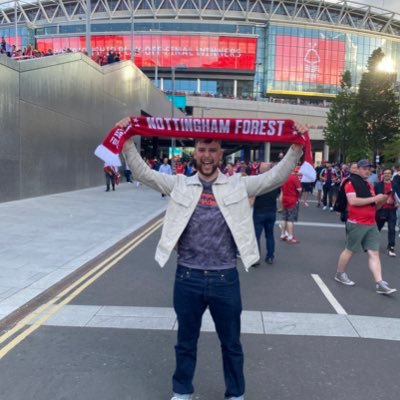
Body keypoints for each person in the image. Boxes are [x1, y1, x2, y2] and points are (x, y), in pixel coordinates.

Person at [118, 116, 304, 400]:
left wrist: (296, 147)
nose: (207, 156)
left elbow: (274, 177)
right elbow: (144, 174)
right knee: (185, 342)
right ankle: (182, 391)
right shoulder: (179, 183)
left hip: (224, 278)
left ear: (220, 154)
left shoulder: (237, 185)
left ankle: (235, 393)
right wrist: (127, 141)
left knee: (231, 343)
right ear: (195, 152)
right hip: (187, 277)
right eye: (202, 150)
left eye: (213, 150)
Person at [334, 159, 396, 295]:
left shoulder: (368, 185)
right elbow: (353, 201)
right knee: (350, 250)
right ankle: (340, 273)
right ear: (358, 169)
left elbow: (374, 206)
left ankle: (379, 282)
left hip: (371, 222)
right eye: (365, 168)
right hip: (357, 222)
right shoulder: (350, 183)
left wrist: (383, 200)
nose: (368, 170)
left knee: (374, 253)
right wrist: (375, 199)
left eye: (369, 168)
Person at [252, 162, 280, 264]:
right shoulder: (275, 181)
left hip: (259, 210)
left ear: (259, 169)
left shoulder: (257, 180)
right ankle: (270, 256)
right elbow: (278, 194)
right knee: (270, 235)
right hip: (271, 210)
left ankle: (256, 258)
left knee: (256, 236)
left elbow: (252, 195)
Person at [375, 168, 397, 257]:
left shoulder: (395, 185)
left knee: (392, 229)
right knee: (377, 229)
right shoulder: (378, 185)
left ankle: (391, 247)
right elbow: (374, 197)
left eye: (389, 173)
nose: (387, 175)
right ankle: (372, 244)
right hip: (381, 210)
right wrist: (384, 201)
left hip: (392, 210)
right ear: (382, 174)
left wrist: (396, 202)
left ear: (391, 175)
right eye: (385, 173)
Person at [279, 166, 302, 244]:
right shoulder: (294, 178)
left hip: (284, 198)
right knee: (290, 219)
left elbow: (281, 190)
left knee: (284, 218)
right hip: (292, 199)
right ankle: (290, 236)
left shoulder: (284, 177)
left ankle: (282, 234)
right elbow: (299, 189)